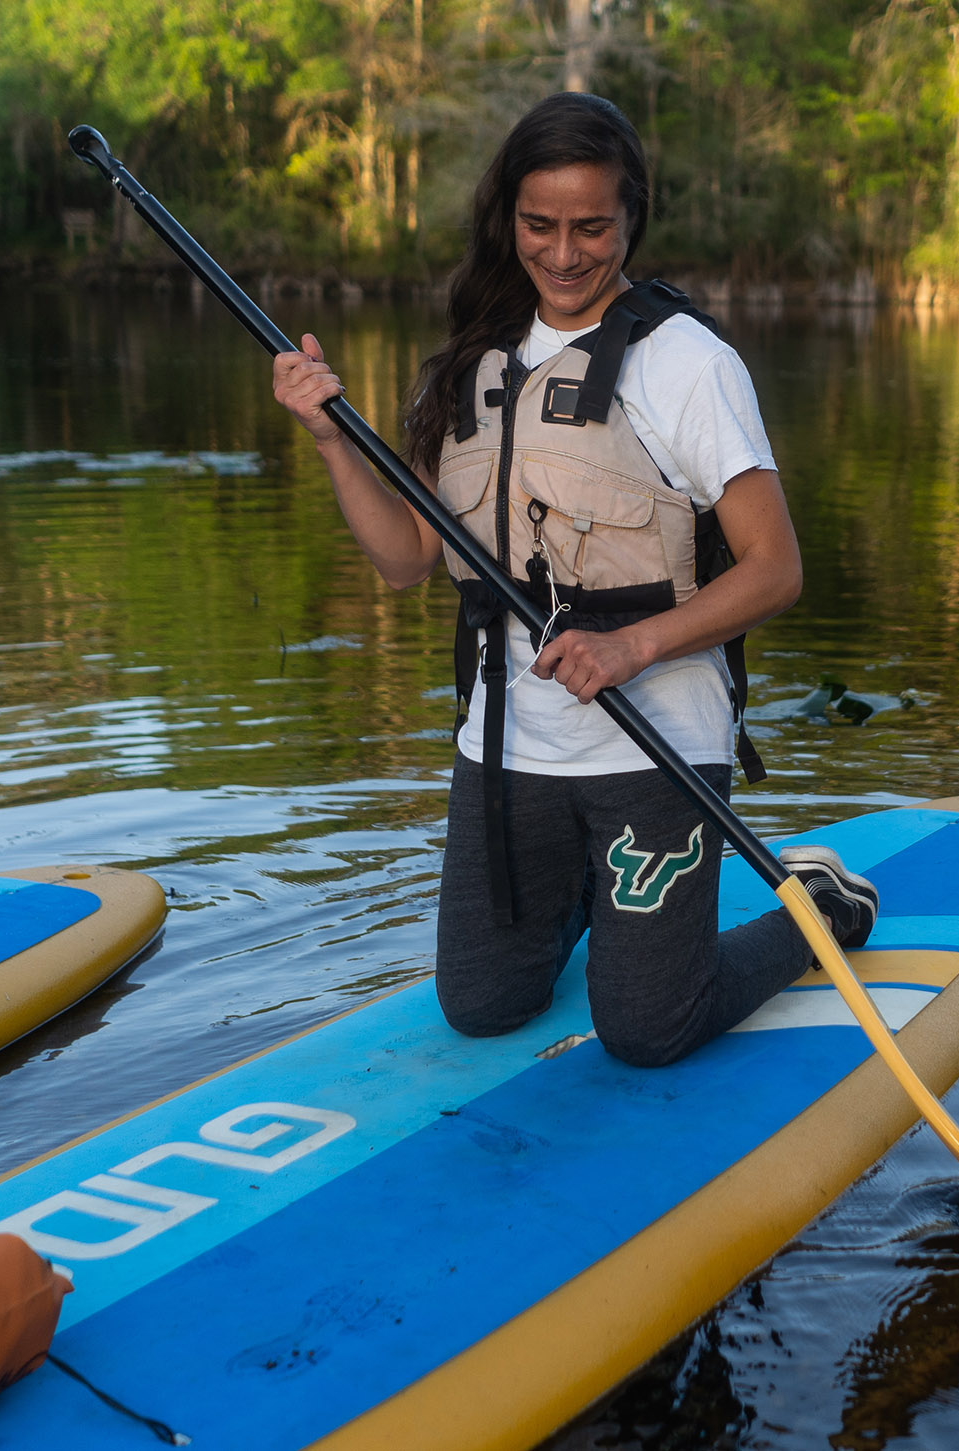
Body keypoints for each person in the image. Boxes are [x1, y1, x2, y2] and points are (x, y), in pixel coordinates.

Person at [271, 92, 876, 1067]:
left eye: (590, 227)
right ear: (506, 218)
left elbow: (776, 570)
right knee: (481, 1004)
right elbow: (402, 559)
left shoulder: (686, 363)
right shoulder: (468, 361)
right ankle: (610, 913)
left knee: (647, 1028)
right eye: (538, 225)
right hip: (507, 747)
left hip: (655, 745)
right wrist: (328, 437)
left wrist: (629, 644)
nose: (562, 254)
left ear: (631, 218)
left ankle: (819, 909)